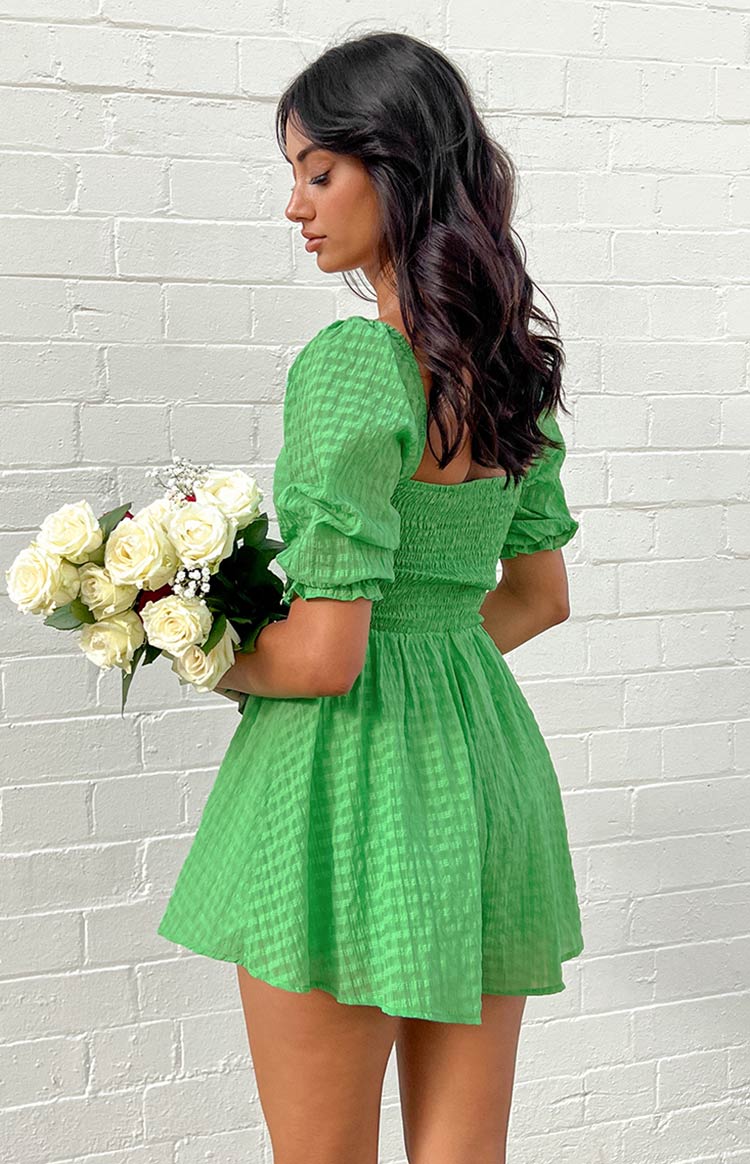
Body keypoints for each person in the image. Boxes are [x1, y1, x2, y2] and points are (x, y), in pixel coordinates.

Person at [157, 30, 584, 1164]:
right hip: (482, 776)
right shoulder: (511, 373)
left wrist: (185, 640)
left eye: (319, 170)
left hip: (341, 794)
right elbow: (538, 598)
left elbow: (325, 659)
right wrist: (432, 656)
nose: (295, 204)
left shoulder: (355, 367)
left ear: (395, 168)